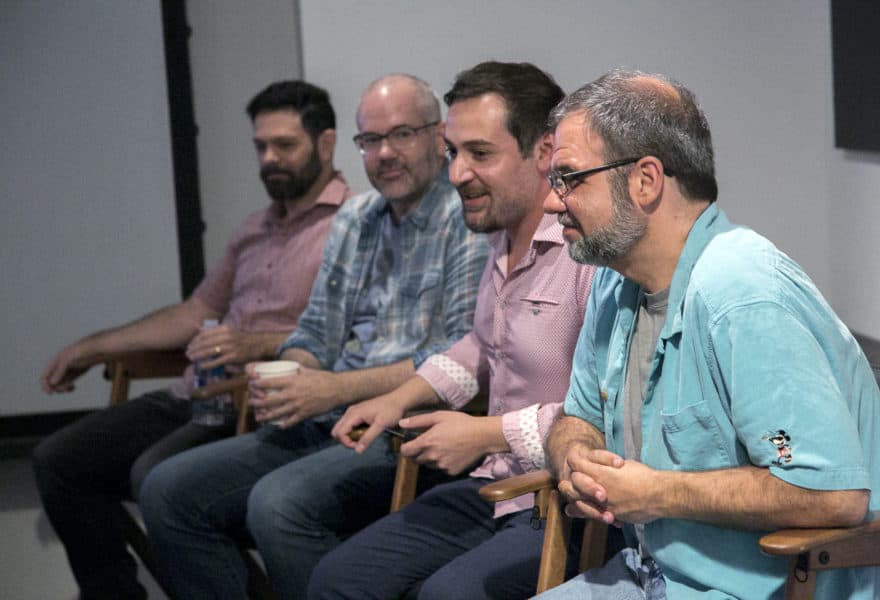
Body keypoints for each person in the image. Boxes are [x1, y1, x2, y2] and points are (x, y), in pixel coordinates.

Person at [536, 69, 880, 599]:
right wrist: (575, 459)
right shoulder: (613, 285)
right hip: (651, 576)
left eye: (569, 178)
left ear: (645, 180)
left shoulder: (743, 291)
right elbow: (577, 418)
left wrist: (656, 493)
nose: (552, 202)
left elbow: (831, 494)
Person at [138, 73, 490, 600]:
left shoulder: (464, 218)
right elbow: (315, 331)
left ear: (439, 136)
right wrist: (294, 373)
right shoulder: (355, 218)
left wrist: (331, 390)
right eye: (370, 141)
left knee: (278, 505)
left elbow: (459, 357)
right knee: (166, 490)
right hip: (323, 417)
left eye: (402, 135)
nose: (384, 153)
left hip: (399, 429)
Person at [31, 80, 351, 600]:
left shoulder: (352, 225)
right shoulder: (254, 227)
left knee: (155, 475)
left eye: (284, 146)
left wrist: (256, 343)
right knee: (60, 460)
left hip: (256, 404)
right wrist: (90, 348)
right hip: (193, 395)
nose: (269, 159)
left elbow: (350, 337)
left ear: (326, 143)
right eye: (260, 147)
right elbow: (195, 312)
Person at [308, 61, 598, 600]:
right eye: (454, 153)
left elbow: (605, 417)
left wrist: (484, 434)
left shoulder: (588, 254)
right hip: (493, 486)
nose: (457, 173)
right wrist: (400, 398)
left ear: (544, 152)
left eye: (480, 154)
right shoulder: (501, 236)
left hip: (566, 503)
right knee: (337, 579)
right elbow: (483, 349)